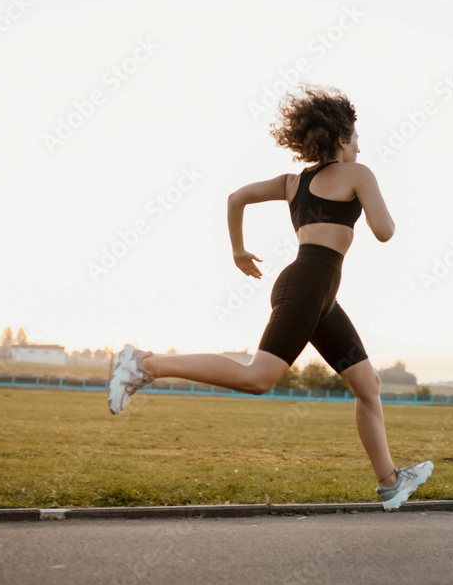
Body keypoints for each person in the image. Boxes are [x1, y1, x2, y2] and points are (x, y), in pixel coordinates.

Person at [106, 84, 433, 511]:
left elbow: (236, 197)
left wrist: (238, 250)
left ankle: (390, 483)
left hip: (315, 291)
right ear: (340, 138)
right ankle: (144, 363)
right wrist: (370, 195)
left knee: (367, 385)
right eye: (355, 136)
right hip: (310, 284)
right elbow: (385, 231)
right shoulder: (359, 174)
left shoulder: (292, 182)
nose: (359, 145)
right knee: (257, 378)